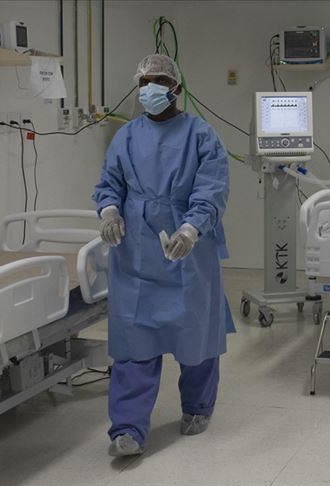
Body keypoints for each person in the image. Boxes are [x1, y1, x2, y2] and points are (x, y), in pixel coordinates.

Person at [93, 54, 234, 457]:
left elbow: (211, 189)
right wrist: (109, 210)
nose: (149, 89)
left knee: (195, 332)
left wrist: (191, 228)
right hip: (135, 249)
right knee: (134, 337)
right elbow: (110, 181)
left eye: (158, 81)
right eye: (143, 83)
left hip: (188, 249)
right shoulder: (127, 136)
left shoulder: (200, 135)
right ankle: (128, 428)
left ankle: (198, 406)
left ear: (176, 88)